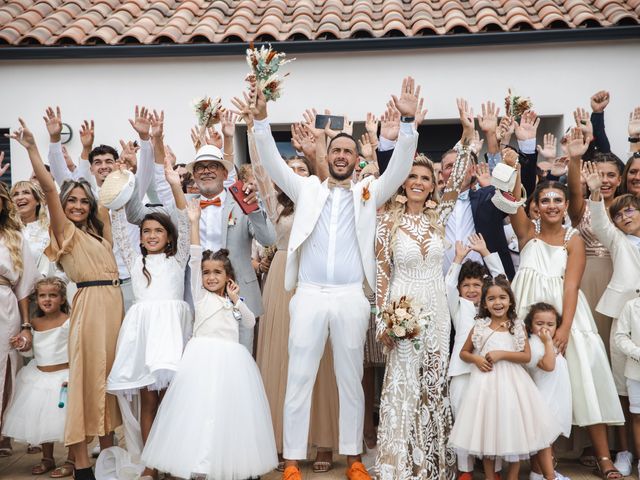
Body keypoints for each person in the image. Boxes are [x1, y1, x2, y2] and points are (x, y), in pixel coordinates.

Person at [251, 76, 420, 480]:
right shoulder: (307, 188)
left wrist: (409, 125)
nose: (342, 155)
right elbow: (273, 162)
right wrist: (260, 121)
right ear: (326, 155)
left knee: (350, 379)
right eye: (336, 150)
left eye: (348, 150)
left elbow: (398, 172)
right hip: (308, 294)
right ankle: (292, 459)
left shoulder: (367, 193)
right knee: (299, 377)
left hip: (349, 296)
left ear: (354, 159)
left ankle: (353, 459)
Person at [9, 119, 123, 480]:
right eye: (71, 200)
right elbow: (49, 189)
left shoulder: (100, 230)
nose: (76, 205)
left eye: (82, 201)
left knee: (106, 383)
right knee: (85, 382)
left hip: (113, 305)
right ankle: (84, 467)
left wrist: (122, 165)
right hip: (89, 305)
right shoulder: (65, 231)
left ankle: (108, 461)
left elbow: (109, 192)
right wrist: (33, 148)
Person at [233, 97, 339, 473]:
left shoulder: (321, 200)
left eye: (300, 168)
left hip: (312, 278)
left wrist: (318, 147)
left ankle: (323, 441)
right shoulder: (274, 206)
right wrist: (253, 124)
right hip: (280, 278)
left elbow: (328, 177)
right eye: (288, 169)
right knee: (281, 357)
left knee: (320, 358)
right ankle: (281, 440)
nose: (292, 173)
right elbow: (261, 167)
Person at [507, 140, 625, 480]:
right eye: (544, 200)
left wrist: (565, 328)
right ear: (535, 207)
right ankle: (541, 460)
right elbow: (512, 200)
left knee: (585, 376)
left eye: (557, 200)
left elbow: (571, 286)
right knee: (532, 384)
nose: (552, 204)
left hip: (567, 314)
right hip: (528, 315)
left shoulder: (574, 238)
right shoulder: (527, 233)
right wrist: (513, 166)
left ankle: (604, 458)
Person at [373, 96, 474, 480]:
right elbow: (381, 272)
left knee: (433, 385)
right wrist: (382, 321)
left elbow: (460, 172)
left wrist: (467, 133)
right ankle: (400, 463)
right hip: (403, 307)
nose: (418, 183)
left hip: (436, 307)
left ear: (433, 185)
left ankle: (429, 463)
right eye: (412, 177)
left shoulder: (439, 216)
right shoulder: (386, 222)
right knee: (402, 386)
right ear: (403, 181)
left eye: (425, 178)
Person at [141, 200, 277, 479]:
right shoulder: (200, 295)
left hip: (230, 362)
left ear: (228, 277)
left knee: (225, 410)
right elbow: (193, 256)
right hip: (200, 360)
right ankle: (199, 464)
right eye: (206, 273)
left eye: (217, 273)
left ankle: (226, 462)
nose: (210, 277)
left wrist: (239, 302)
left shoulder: (232, 302)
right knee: (200, 411)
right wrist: (193, 223)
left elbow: (250, 322)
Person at [142, 109, 274, 352]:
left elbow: (268, 239)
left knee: (240, 359)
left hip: (238, 294)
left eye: (213, 166)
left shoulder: (242, 201)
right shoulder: (185, 204)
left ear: (225, 173)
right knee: (201, 360)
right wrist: (154, 142)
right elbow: (160, 188)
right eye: (200, 167)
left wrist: (254, 208)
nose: (206, 171)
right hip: (197, 296)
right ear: (193, 175)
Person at [106, 158, 192, 477]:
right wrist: (118, 182)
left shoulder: (178, 259)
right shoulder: (132, 259)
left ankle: (172, 458)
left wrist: (173, 184)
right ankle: (151, 464)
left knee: (172, 401)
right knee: (148, 400)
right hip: (143, 334)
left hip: (172, 333)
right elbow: (117, 223)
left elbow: (183, 221)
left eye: (158, 231)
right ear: (140, 238)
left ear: (168, 238)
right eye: (147, 231)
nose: (152, 235)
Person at [449, 276, 562, 480]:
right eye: (491, 299)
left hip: (513, 385)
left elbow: (526, 356)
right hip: (485, 387)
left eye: (502, 297)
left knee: (515, 431)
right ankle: (491, 477)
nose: (497, 303)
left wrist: (502, 354)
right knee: (487, 435)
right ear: (484, 303)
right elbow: (463, 353)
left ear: (510, 300)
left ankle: (513, 475)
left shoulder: (517, 326)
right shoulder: (479, 326)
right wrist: (475, 359)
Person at [445, 234, 505, 479]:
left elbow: (503, 281)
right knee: (462, 420)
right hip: (461, 371)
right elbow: (447, 285)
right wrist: (458, 259)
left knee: (492, 420)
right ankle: (465, 470)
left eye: (476, 285)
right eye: (466, 285)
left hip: (490, 372)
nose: (471, 290)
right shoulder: (458, 307)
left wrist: (486, 253)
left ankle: (496, 470)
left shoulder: (493, 306)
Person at [2, 277, 74, 478]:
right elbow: (29, 352)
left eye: (53, 295)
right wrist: (21, 344)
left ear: (62, 299)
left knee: (67, 423)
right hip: (39, 377)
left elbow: (76, 350)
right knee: (43, 420)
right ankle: (47, 458)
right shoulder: (34, 323)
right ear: (37, 298)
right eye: (43, 295)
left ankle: (72, 459)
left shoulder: (68, 322)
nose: (47, 299)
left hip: (63, 377)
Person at [0, 180, 38, 458]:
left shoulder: (16, 237)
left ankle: (3, 431)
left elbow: (24, 287)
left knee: (6, 367)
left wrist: (26, 325)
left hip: (5, 305)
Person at [523, 302, 573, 480]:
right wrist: (546, 342)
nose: (545, 328)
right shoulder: (534, 344)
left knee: (549, 439)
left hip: (556, 395)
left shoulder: (551, 343)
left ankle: (538, 473)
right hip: (544, 398)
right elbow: (548, 366)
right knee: (545, 439)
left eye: (550, 325)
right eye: (539, 324)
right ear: (530, 325)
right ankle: (548, 475)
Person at [613, 297, 640, 475]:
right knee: (638, 417)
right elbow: (620, 336)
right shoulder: (631, 306)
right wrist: (637, 353)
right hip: (636, 372)